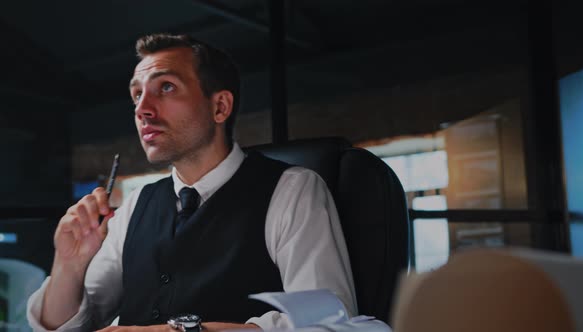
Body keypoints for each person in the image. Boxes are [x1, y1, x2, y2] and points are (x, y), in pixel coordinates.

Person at [27, 33, 357, 331]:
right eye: (137, 95)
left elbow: (328, 323)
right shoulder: (135, 206)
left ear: (220, 106)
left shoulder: (292, 190)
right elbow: (64, 326)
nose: (142, 109)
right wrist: (68, 265)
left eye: (166, 87)